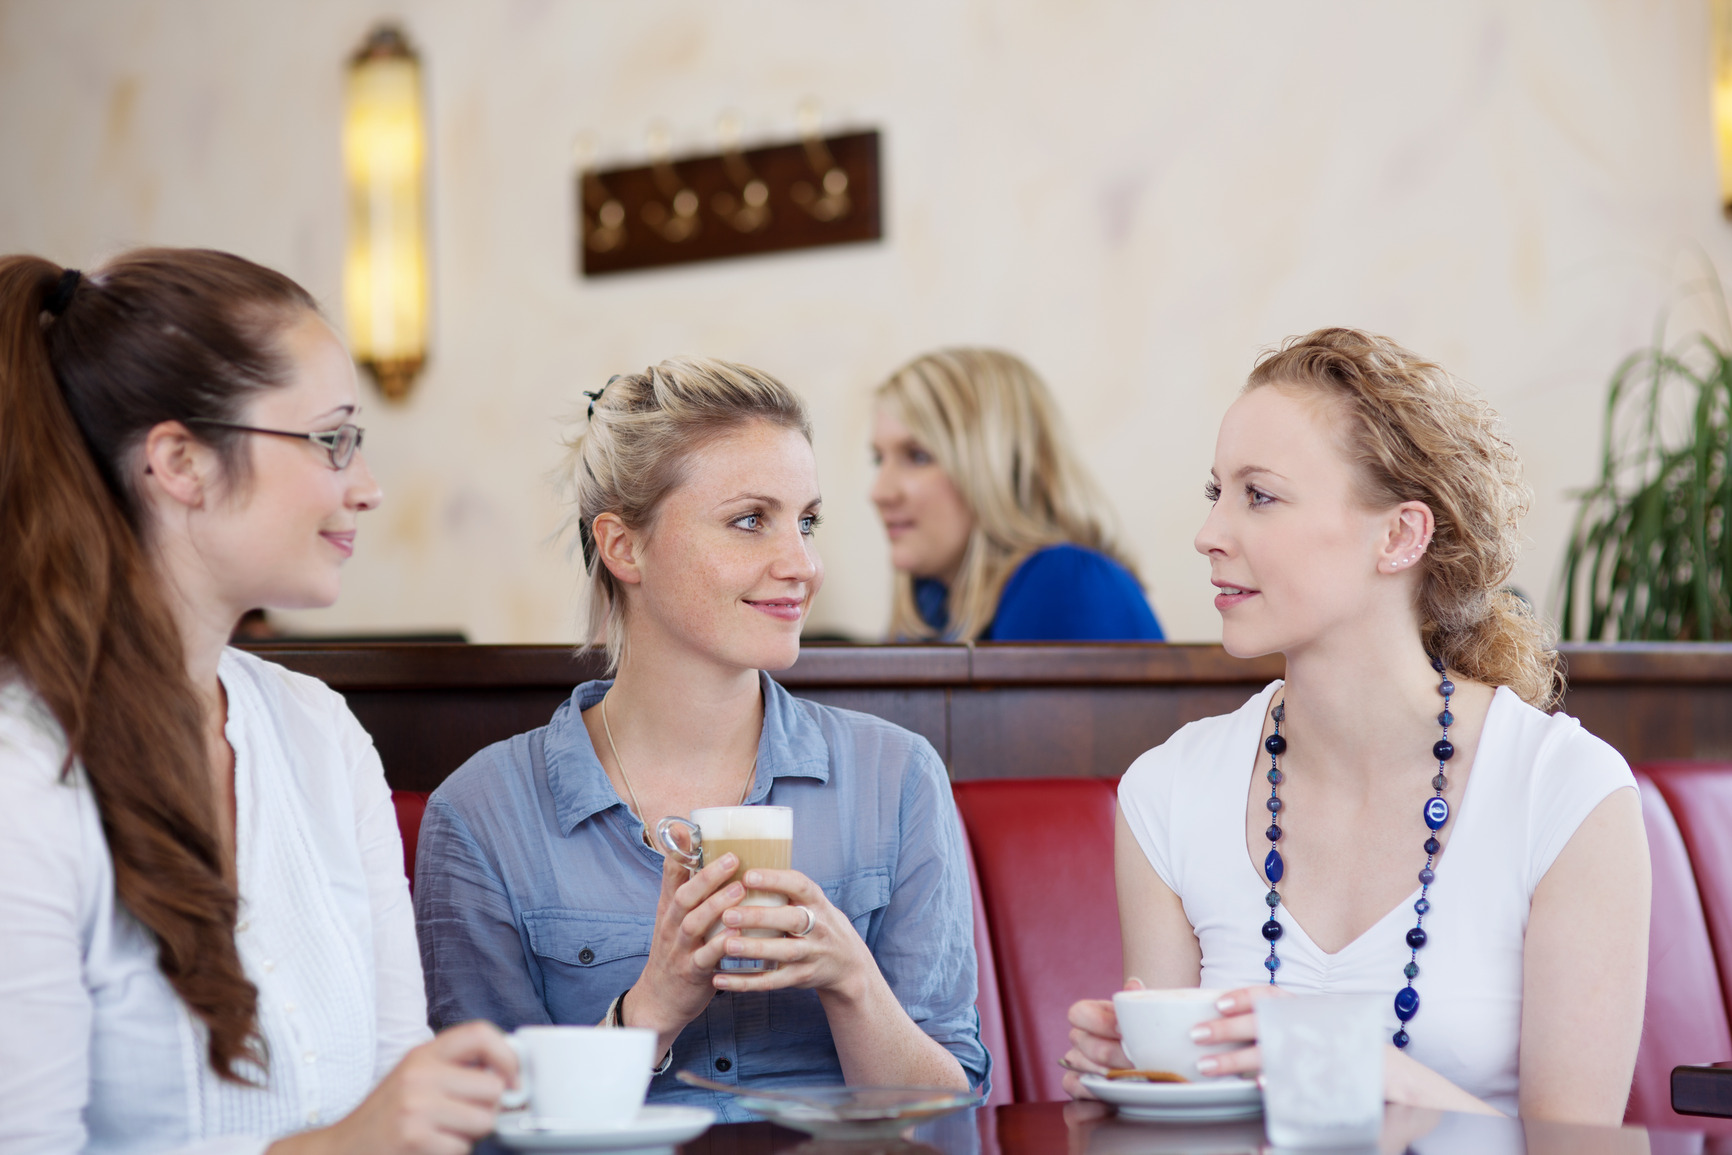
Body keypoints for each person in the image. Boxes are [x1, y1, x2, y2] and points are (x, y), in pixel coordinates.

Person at [0, 249, 518, 1154]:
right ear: (182, 463)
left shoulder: (319, 733)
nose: (366, 485)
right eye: (330, 439)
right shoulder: (24, 779)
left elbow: (403, 1092)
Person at [1062, 329, 1648, 1123]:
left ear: (1401, 535)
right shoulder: (1167, 791)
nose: (1210, 534)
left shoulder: (1568, 791)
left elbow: (1578, 1152)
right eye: (1217, 492)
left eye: (1259, 495)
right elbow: (1177, 1124)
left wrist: (1354, 1067)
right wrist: (1126, 1083)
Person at [414, 358, 987, 1121]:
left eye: (807, 520)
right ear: (624, 548)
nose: (803, 564)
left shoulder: (899, 774)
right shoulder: (483, 815)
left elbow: (953, 1107)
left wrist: (851, 978)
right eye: (751, 519)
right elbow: (481, 1124)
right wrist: (652, 1006)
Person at [869, 347, 1162, 642]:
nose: (879, 492)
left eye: (918, 456)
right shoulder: (932, 606)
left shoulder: (1061, 582)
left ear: (997, 466)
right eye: (879, 459)